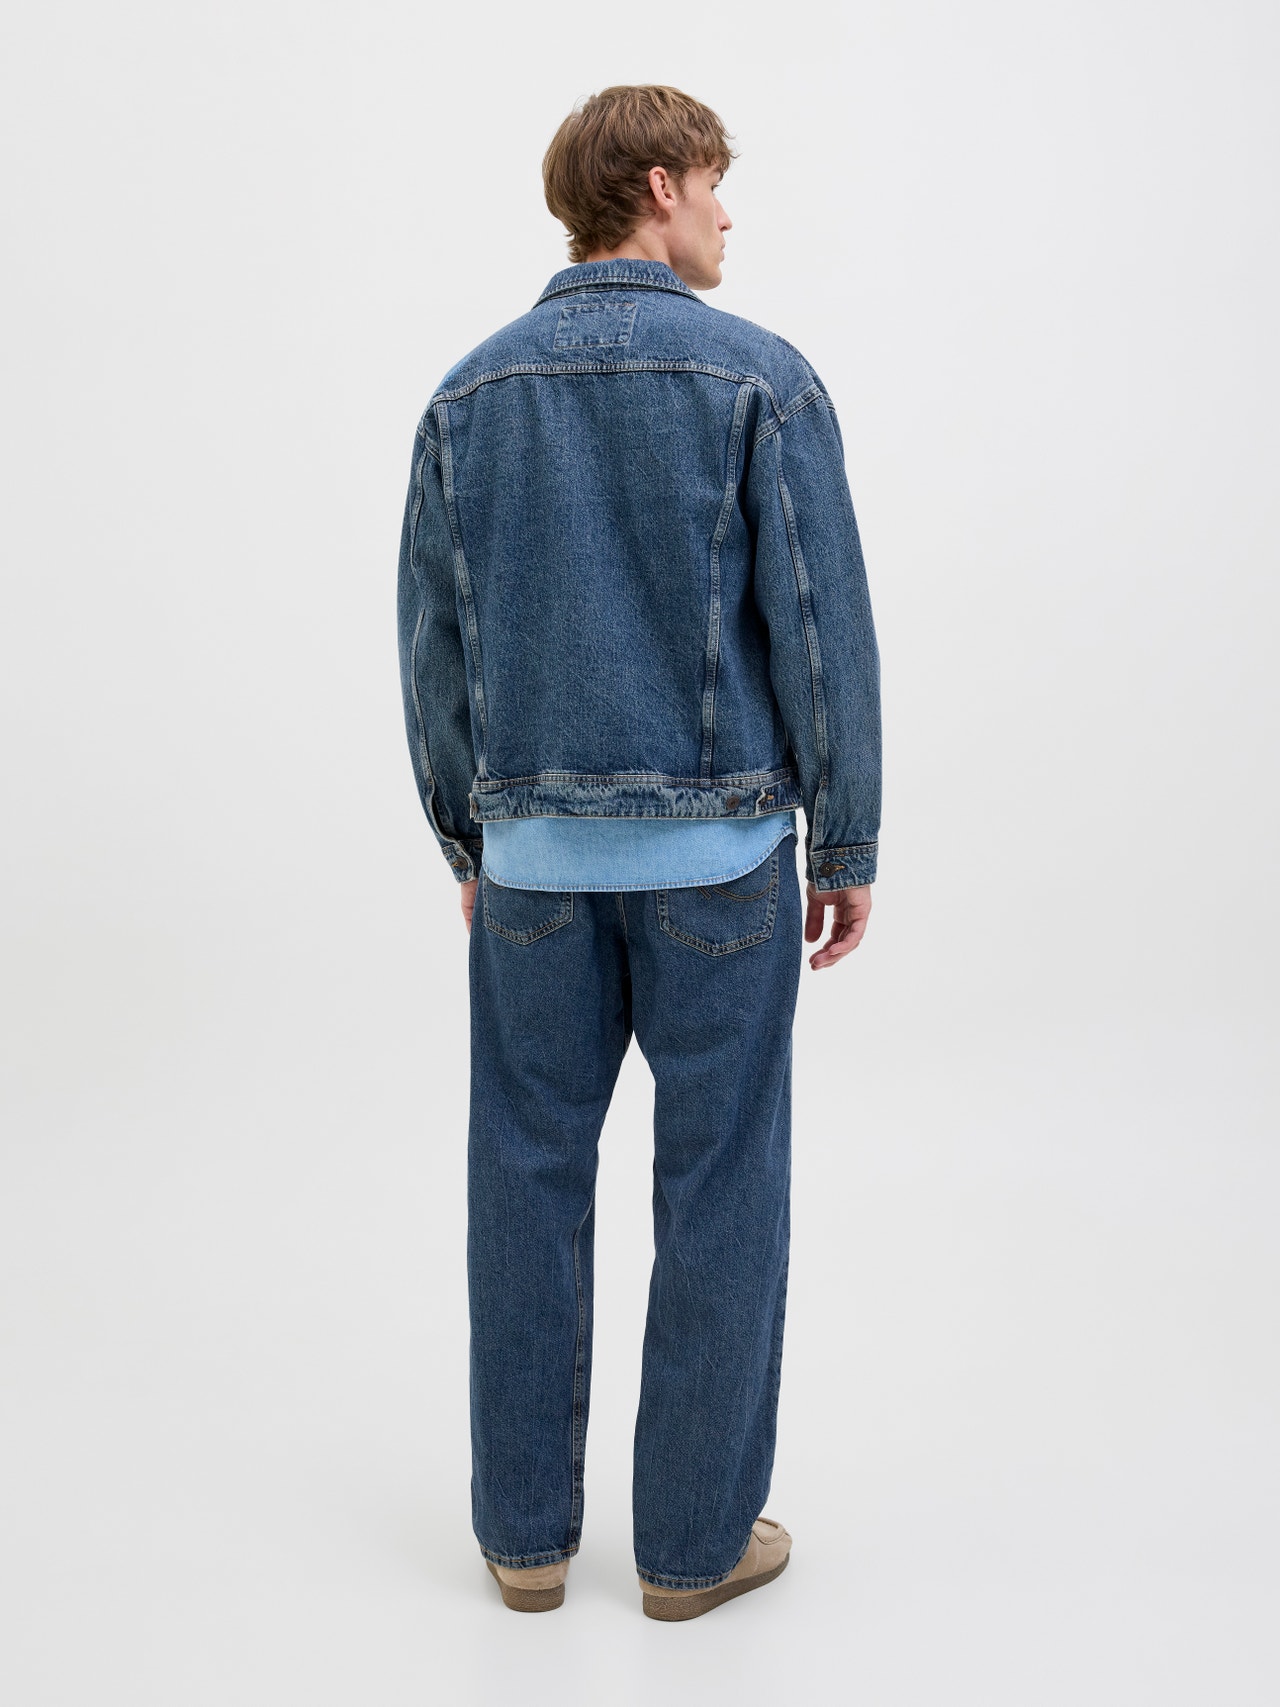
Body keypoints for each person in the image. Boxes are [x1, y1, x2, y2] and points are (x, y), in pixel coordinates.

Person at [396, 84, 882, 1621]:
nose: (730, 214)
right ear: (658, 186)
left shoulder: (468, 396)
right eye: (718, 184)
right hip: (719, 864)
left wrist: (470, 832)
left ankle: (524, 1544)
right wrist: (845, 833)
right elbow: (819, 626)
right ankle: (692, 1551)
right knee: (723, 1183)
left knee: (524, 1177)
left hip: (533, 872)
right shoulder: (762, 381)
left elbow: (434, 648)